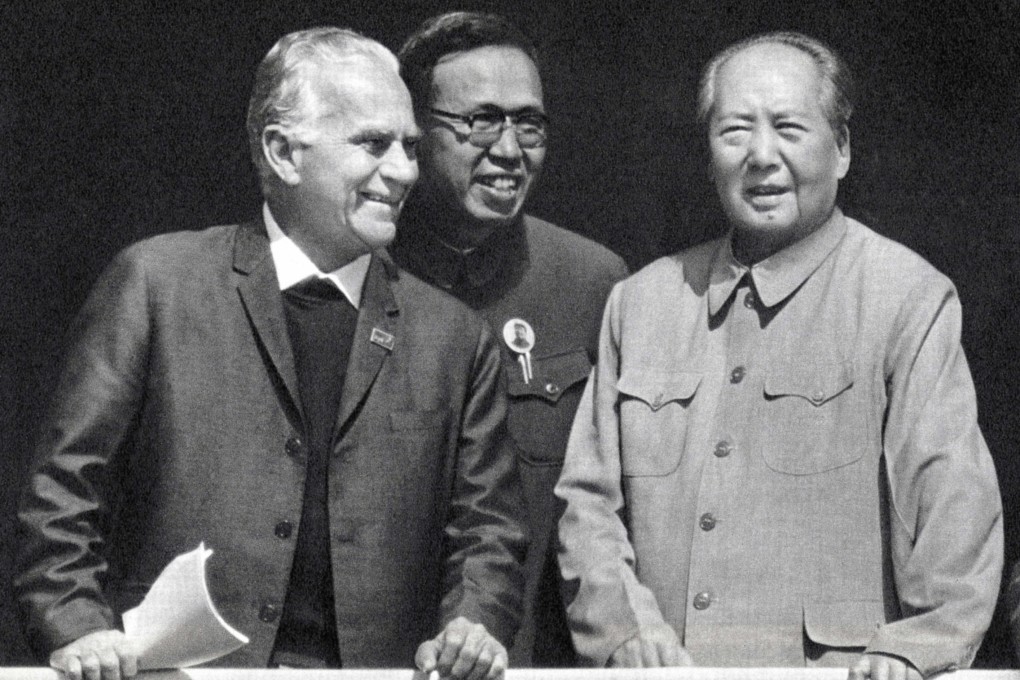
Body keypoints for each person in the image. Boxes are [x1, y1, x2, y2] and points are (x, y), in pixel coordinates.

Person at [15, 26, 526, 680]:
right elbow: (63, 499)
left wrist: (473, 626)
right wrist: (80, 630)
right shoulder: (157, 286)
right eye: (374, 143)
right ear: (283, 152)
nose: (403, 170)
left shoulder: (455, 338)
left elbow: (491, 537)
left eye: (409, 146)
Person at [555, 30, 1002, 679]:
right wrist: (623, 629)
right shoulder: (641, 302)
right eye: (734, 131)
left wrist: (917, 648)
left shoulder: (907, 298)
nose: (761, 156)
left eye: (789, 127)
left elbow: (953, 509)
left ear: (842, 148)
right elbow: (587, 502)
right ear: (709, 156)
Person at [389, 12, 628, 667]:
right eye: (480, 121)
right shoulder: (364, 273)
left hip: (541, 658)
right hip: (388, 659)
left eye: (528, 123)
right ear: (413, 131)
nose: (509, 148)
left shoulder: (591, 282)